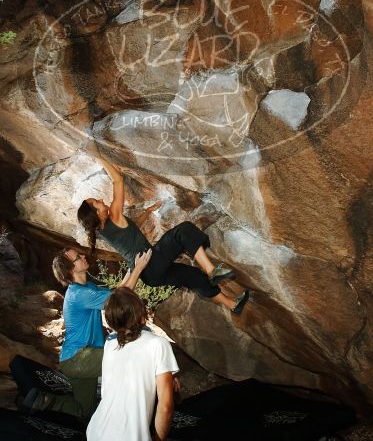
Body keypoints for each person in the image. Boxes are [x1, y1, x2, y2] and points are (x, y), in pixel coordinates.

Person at [76, 152, 250, 315]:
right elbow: (118, 180)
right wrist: (97, 155)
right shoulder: (113, 216)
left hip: (150, 276)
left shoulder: (102, 231)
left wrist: (148, 211)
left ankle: (233, 305)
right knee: (183, 231)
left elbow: (129, 229)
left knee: (193, 277)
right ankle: (213, 271)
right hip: (150, 264)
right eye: (96, 202)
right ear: (96, 213)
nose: (99, 200)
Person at [44, 246, 151, 419]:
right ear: (70, 269)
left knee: (84, 411)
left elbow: (117, 291)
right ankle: (135, 407)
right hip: (79, 357)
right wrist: (139, 268)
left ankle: (46, 401)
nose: (83, 256)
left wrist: (132, 267)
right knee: (125, 355)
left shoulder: (87, 287)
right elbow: (120, 299)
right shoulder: (79, 295)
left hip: (77, 359)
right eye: (78, 257)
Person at [86, 287, 178, 441]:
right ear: (141, 313)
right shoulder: (158, 345)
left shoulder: (110, 344)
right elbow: (166, 406)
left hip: (96, 431)